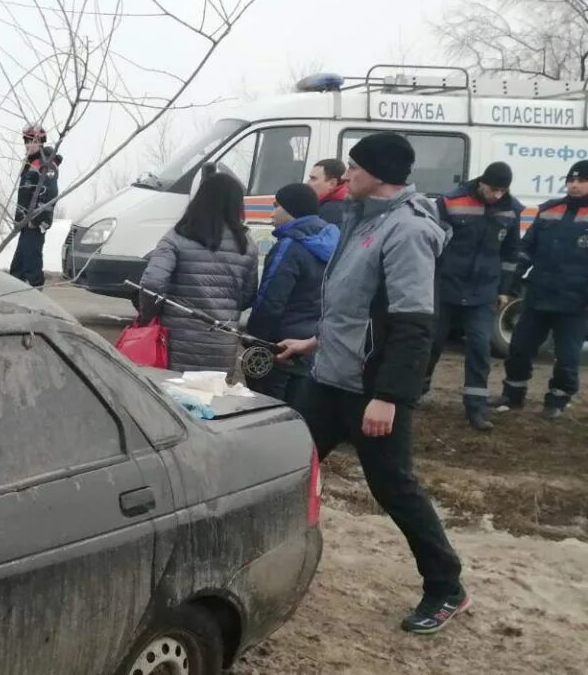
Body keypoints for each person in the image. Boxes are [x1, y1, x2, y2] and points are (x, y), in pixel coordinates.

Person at [277, 132, 467, 634]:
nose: (347, 176)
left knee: (394, 488)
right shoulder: (361, 219)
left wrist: (388, 397)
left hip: (371, 392)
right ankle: (270, 557)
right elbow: (355, 308)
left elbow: (412, 324)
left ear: (378, 175)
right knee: (288, 462)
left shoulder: (407, 231)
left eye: (355, 169)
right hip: (328, 378)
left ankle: (446, 586)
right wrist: (313, 342)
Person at [425, 162, 521, 430]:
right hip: (445, 287)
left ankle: (475, 409)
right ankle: (416, 392)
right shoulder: (451, 201)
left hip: (483, 292)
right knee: (431, 343)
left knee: (480, 348)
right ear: (482, 183)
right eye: (494, 189)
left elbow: (510, 254)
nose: (498, 195)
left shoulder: (511, 210)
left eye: (503, 190)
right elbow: (432, 243)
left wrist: (504, 289)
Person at [493, 158, 588, 420]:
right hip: (539, 296)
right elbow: (527, 249)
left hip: (576, 303)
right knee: (520, 348)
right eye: (571, 180)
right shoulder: (548, 211)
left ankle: (557, 400)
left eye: (581, 181)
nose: (575, 185)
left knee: (567, 358)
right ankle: (513, 394)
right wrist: (513, 280)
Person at [136, 171, 258, 373]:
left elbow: (152, 283)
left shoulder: (177, 236)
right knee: (211, 400)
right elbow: (247, 296)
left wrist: (147, 315)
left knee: (170, 399)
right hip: (222, 344)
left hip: (176, 342)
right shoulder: (246, 245)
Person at [243, 182, 337, 403]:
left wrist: (254, 339)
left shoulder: (289, 247)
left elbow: (270, 300)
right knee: (298, 412)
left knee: (266, 410)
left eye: (276, 206)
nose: (272, 213)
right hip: (311, 345)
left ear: (291, 210)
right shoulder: (334, 244)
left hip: (279, 347)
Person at [9, 124, 58, 289]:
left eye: (33, 141)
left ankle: (37, 301)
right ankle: (15, 301)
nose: (29, 145)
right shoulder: (30, 162)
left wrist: (35, 220)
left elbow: (49, 195)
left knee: (32, 265)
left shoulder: (46, 164)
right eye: (27, 141)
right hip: (24, 222)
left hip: (35, 224)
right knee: (18, 266)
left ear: (41, 142)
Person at [308, 157, 349, 227]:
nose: (308, 183)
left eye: (313, 179)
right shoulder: (344, 205)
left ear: (332, 184)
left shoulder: (331, 211)